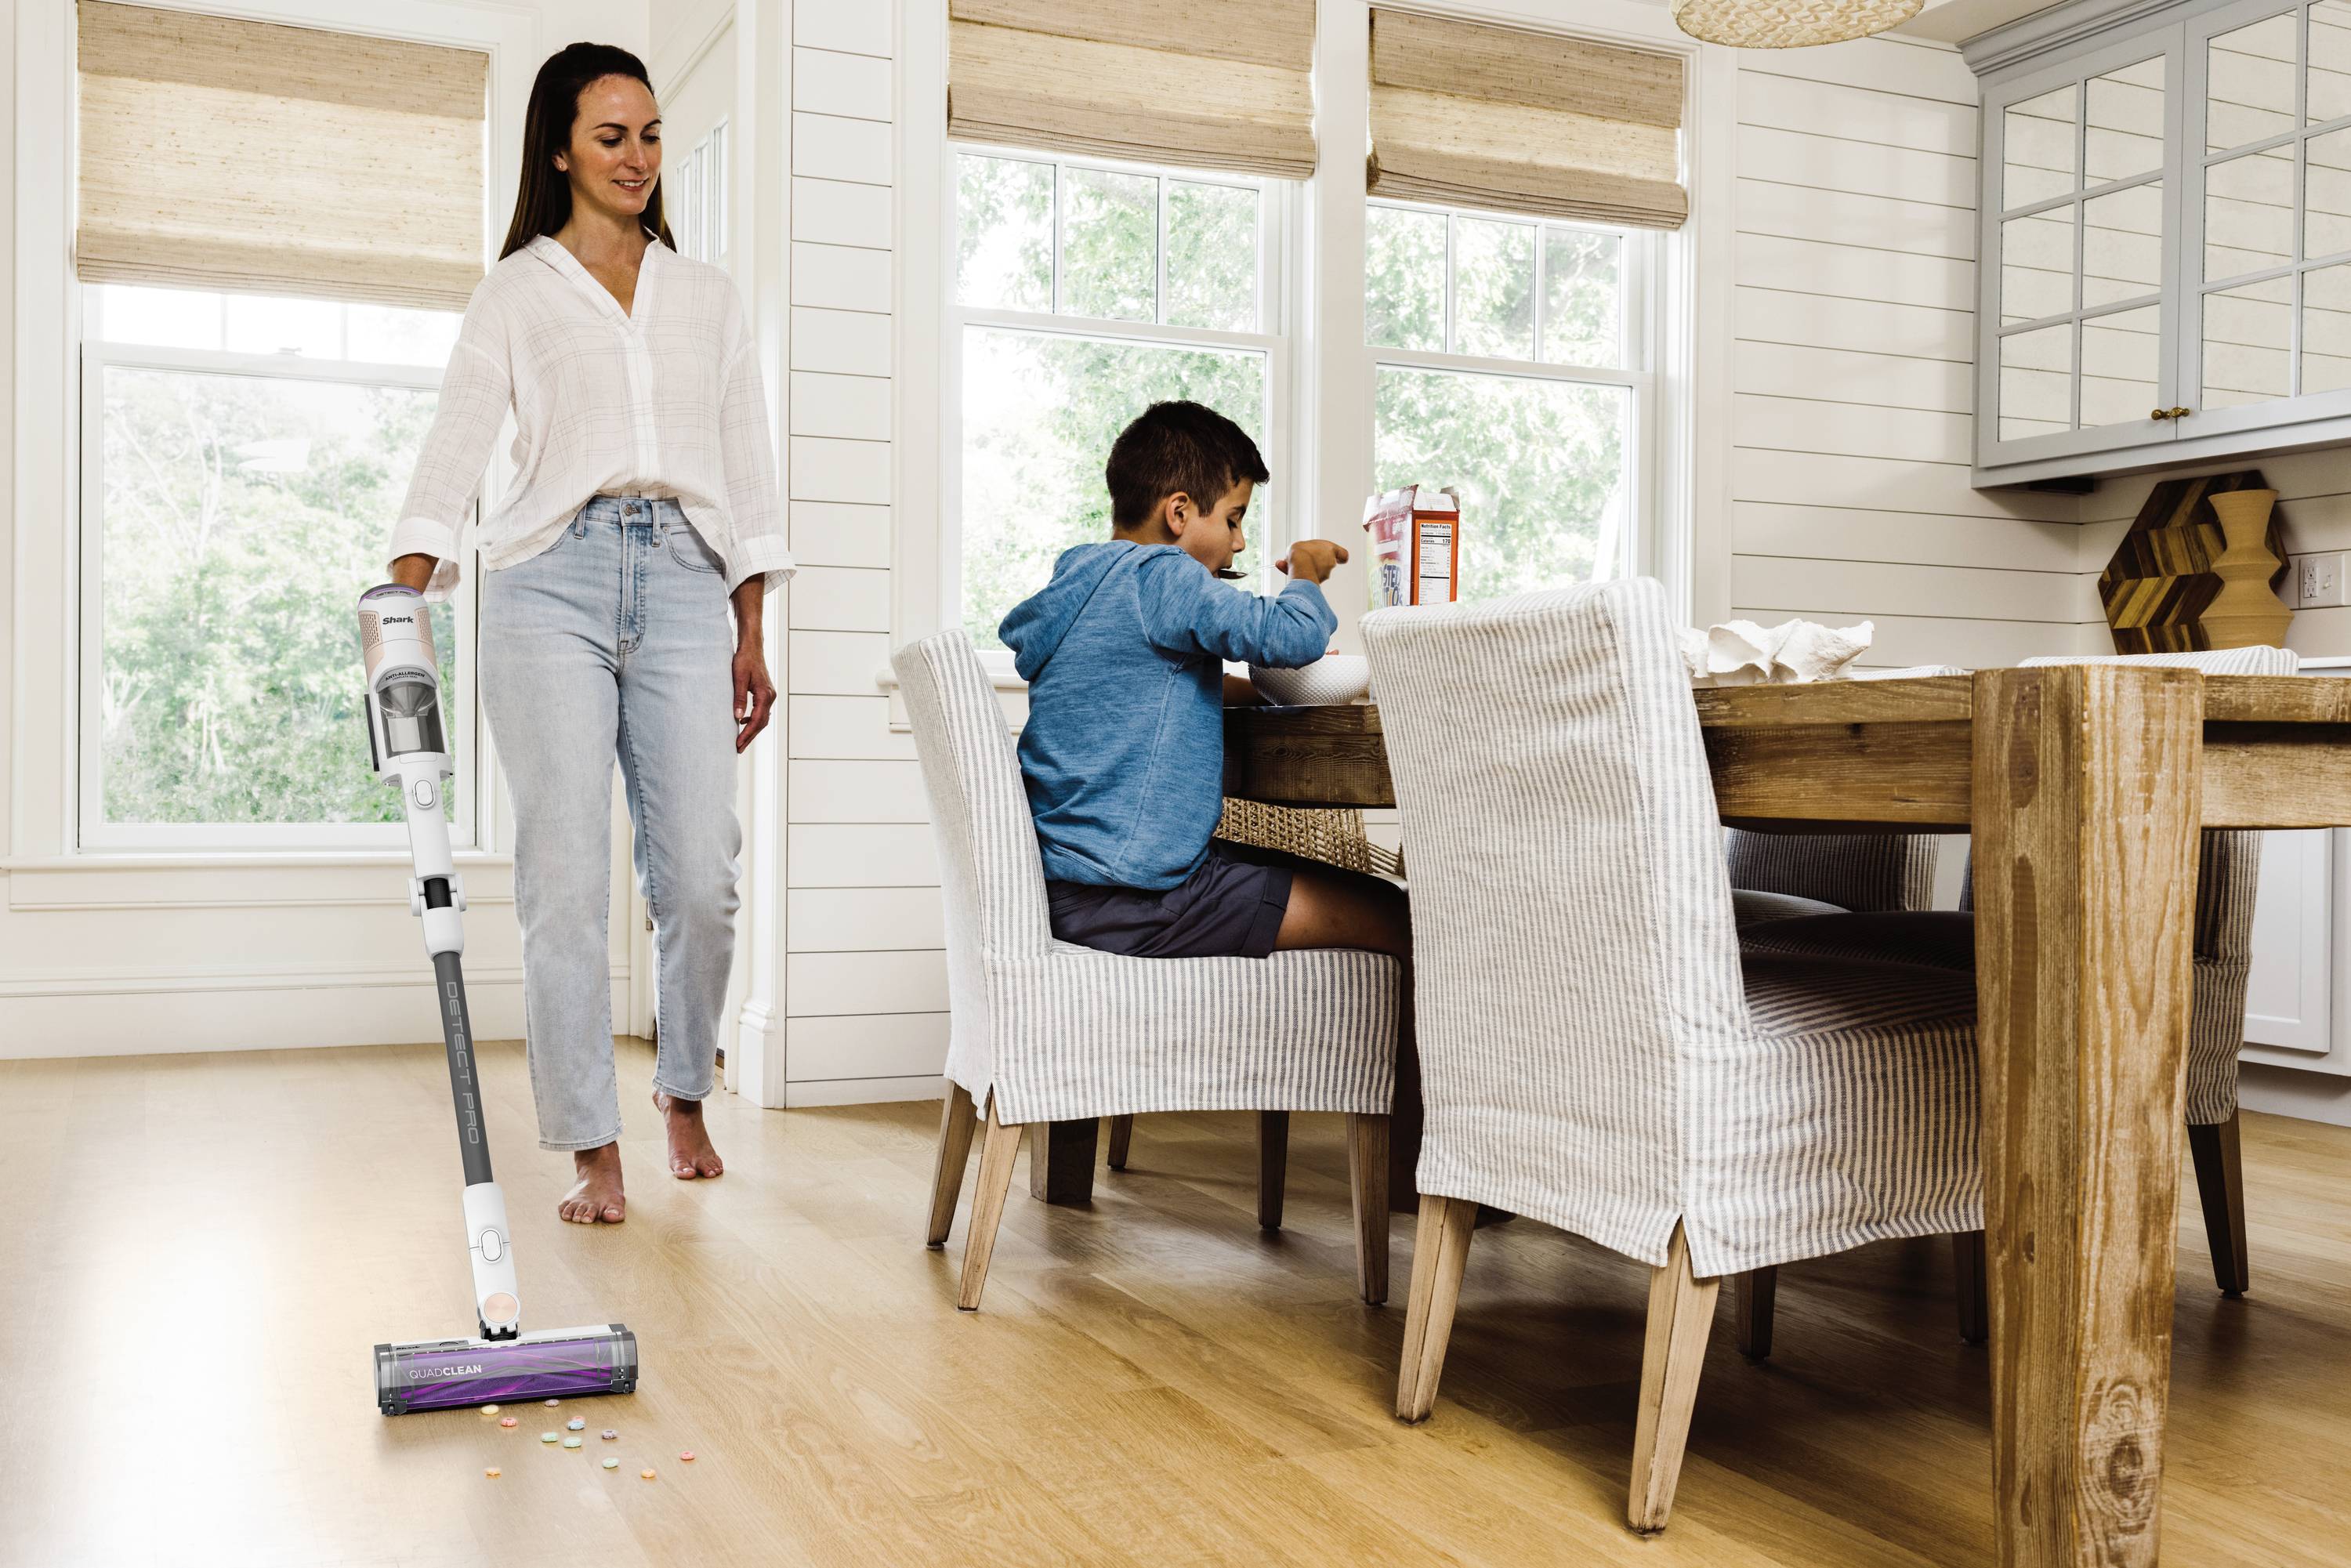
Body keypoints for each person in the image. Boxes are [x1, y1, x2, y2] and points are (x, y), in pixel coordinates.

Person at [383, 43, 791, 1225]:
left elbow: (746, 472)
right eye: (611, 136)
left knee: (702, 877)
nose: (638, 158)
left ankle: (680, 1090)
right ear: (560, 146)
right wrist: (400, 591)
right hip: (543, 583)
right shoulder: (517, 289)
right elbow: (460, 441)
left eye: (651, 135)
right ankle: (588, 1141)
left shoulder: (705, 295)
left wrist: (750, 626)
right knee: (562, 882)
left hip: (682, 583)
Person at [998, 403, 1415, 1173]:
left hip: (1072, 892)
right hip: (1146, 901)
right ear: (1179, 512)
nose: (1240, 541)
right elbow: (1288, 638)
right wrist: (1307, 573)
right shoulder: (1160, 573)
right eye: (1234, 518)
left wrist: (1217, 692)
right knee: (1404, 918)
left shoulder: (1080, 580)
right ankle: (1432, 1176)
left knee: (1355, 895)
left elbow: (1126, 685)